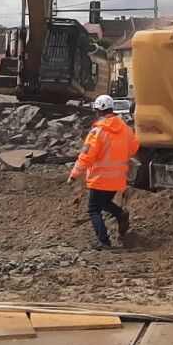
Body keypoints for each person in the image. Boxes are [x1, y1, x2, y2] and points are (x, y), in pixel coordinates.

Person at [69, 94, 139, 250]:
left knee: (93, 209)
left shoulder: (97, 132)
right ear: (111, 109)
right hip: (118, 178)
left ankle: (104, 241)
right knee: (105, 202)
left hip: (99, 178)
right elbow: (134, 147)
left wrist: (74, 175)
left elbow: (87, 156)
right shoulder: (125, 129)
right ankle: (120, 213)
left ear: (98, 111)